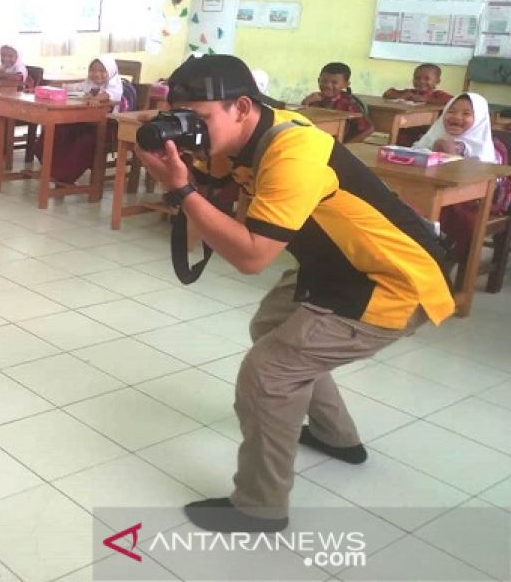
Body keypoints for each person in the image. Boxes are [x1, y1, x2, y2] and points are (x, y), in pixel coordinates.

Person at [136, 54, 454, 534]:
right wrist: (176, 143)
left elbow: (251, 256)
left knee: (270, 372)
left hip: (392, 283)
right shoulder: (247, 132)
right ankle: (336, 437)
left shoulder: (293, 151)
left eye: (198, 119)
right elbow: (219, 179)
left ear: (241, 106)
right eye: (181, 117)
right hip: (337, 266)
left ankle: (259, 507)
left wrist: (181, 192)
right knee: (271, 326)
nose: (190, 130)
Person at [413, 92, 511, 262]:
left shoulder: (492, 150)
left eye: (466, 114)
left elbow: (489, 184)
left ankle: (438, 255)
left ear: (479, 119)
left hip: (476, 201)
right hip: (433, 191)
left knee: (444, 211)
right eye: (451, 111)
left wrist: (451, 151)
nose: (456, 117)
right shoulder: (433, 138)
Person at [47, 54, 124, 184]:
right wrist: (59, 86)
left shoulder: (115, 85)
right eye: (93, 70)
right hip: (85, 123)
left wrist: (96, 98)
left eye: (101, 71)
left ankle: (65, 175)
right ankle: (53, 169)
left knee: (83, 142)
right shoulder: (89, 83)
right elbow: (76, 87)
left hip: (106, 128)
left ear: (110, 71)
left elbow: (109, 95)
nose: (96, 74)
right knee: (58, 130)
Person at [301, 61, 374, 143]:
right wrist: (305, 103)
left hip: (336, 144)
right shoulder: (313, 99)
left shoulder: (348, 103)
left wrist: (346, 146)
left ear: (346, 84)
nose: (328, 85)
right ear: (318, 80)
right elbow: (300, 122)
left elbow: (368, 129)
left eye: (334, 82)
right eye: (324, 81)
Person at [382, 62, 452, 105]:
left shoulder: (438, 95)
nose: (421, 81)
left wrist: (426, 99)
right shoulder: (410, 92)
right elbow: (388, 93)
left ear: (437, 81)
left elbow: (453, 101)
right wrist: (401, 96)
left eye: (427, 78)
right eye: (417, 78)